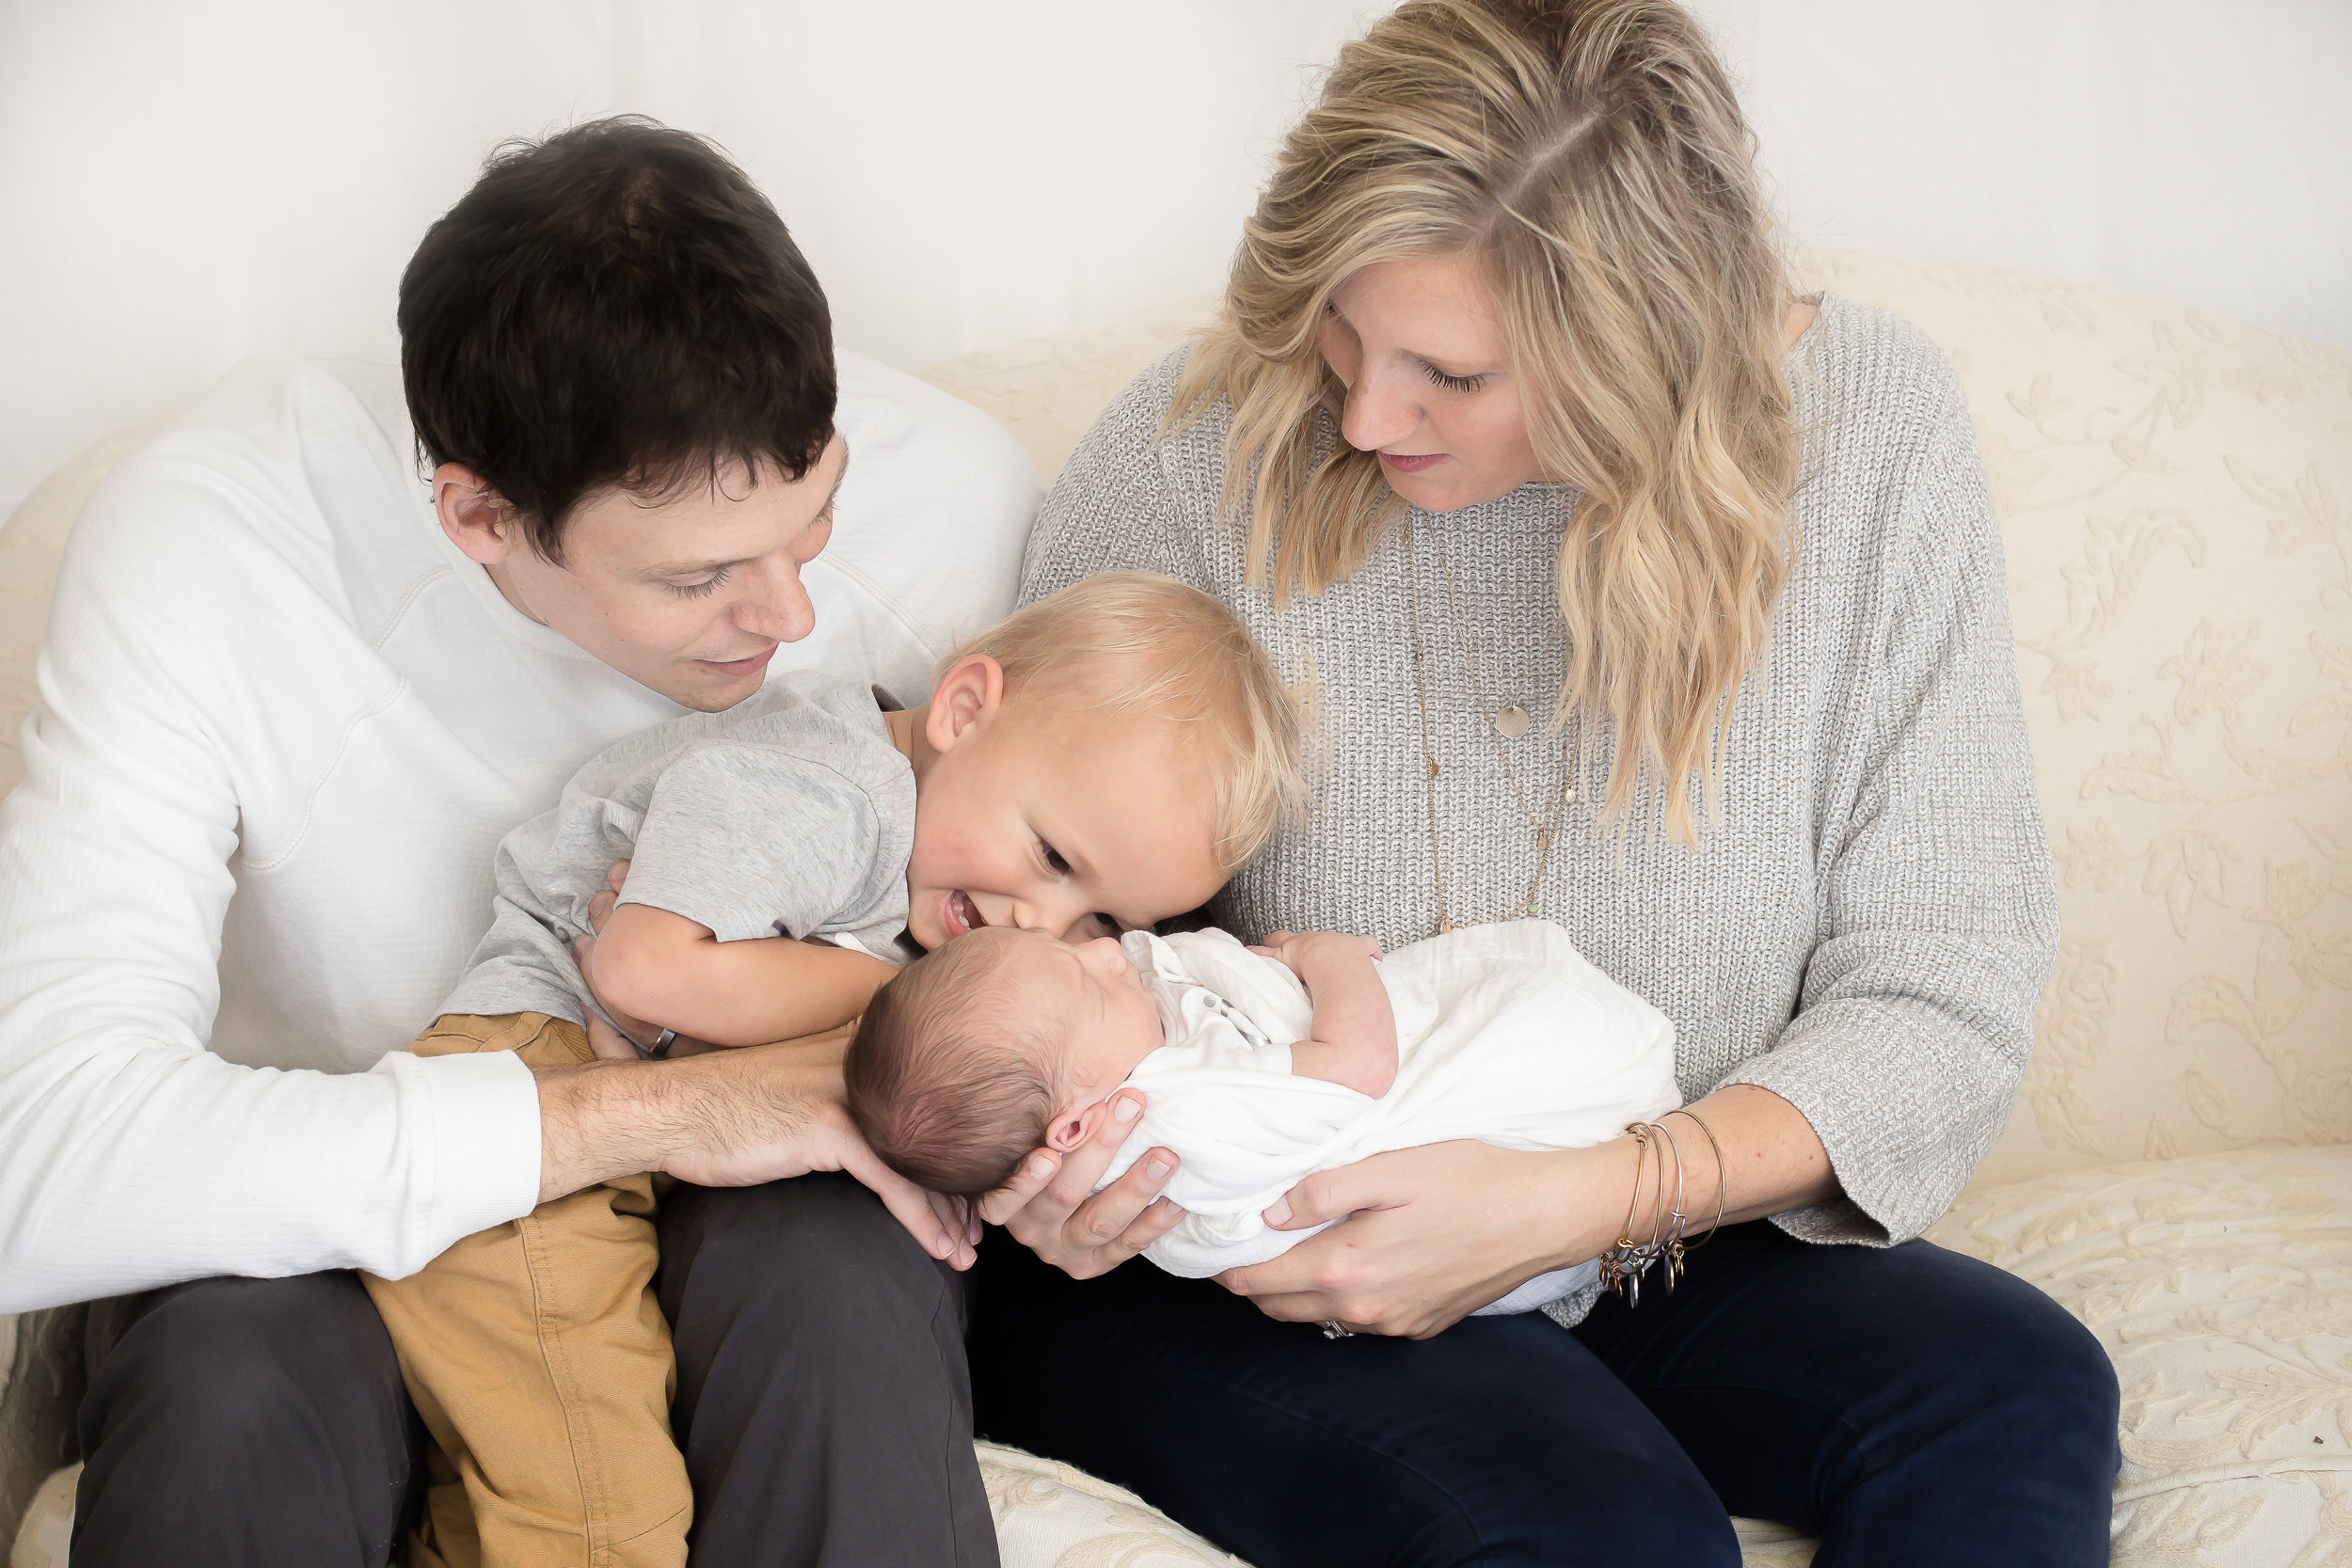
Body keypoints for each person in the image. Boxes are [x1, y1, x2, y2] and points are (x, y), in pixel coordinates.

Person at [972, 2, 2122, 1563]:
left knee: (2015, 1380)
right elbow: (1005, 907)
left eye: (1451, 372)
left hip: (1649, 1219)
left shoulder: (1871, 434)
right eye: (1342, 333)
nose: (1370, 416)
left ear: (1642, 348)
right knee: (1606, 1528)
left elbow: (1948, 983)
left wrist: (1595, 1197)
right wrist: (1040, 1151)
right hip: (1255, 1238)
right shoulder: (1200, 447)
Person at [0, 118, 1040, 1567]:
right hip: (320, 1209)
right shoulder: (217, 540)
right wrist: (648, 1116)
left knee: (833, 1288)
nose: (793, 616)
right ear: (479, 514)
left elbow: (1093, 925)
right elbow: (35, 1160)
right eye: (697, 577)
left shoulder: (966, 505)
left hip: (770, 1213)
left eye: (814, 524)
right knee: (229, 1381)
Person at [363, 573, 1283, 1568]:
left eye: (1100, 922)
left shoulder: (923, 856)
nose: (1042, 928)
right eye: (1053, 856)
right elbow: (640, 967)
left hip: (618, 1128)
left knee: (519, 1495)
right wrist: (885, 1000)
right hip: (528, 1105)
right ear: (965, 710)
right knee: (599, 1512)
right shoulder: (830, 787)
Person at [850, 918, 1677, 1319]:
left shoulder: (1114, 1066)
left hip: (1603, 1203)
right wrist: (1333, 958)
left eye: (1069, 947)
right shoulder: (1175, 1110)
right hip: (1460, 1185)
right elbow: (1358, 1069)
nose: (1110, 952)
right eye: (1089, 983)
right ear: (1072, 1129)